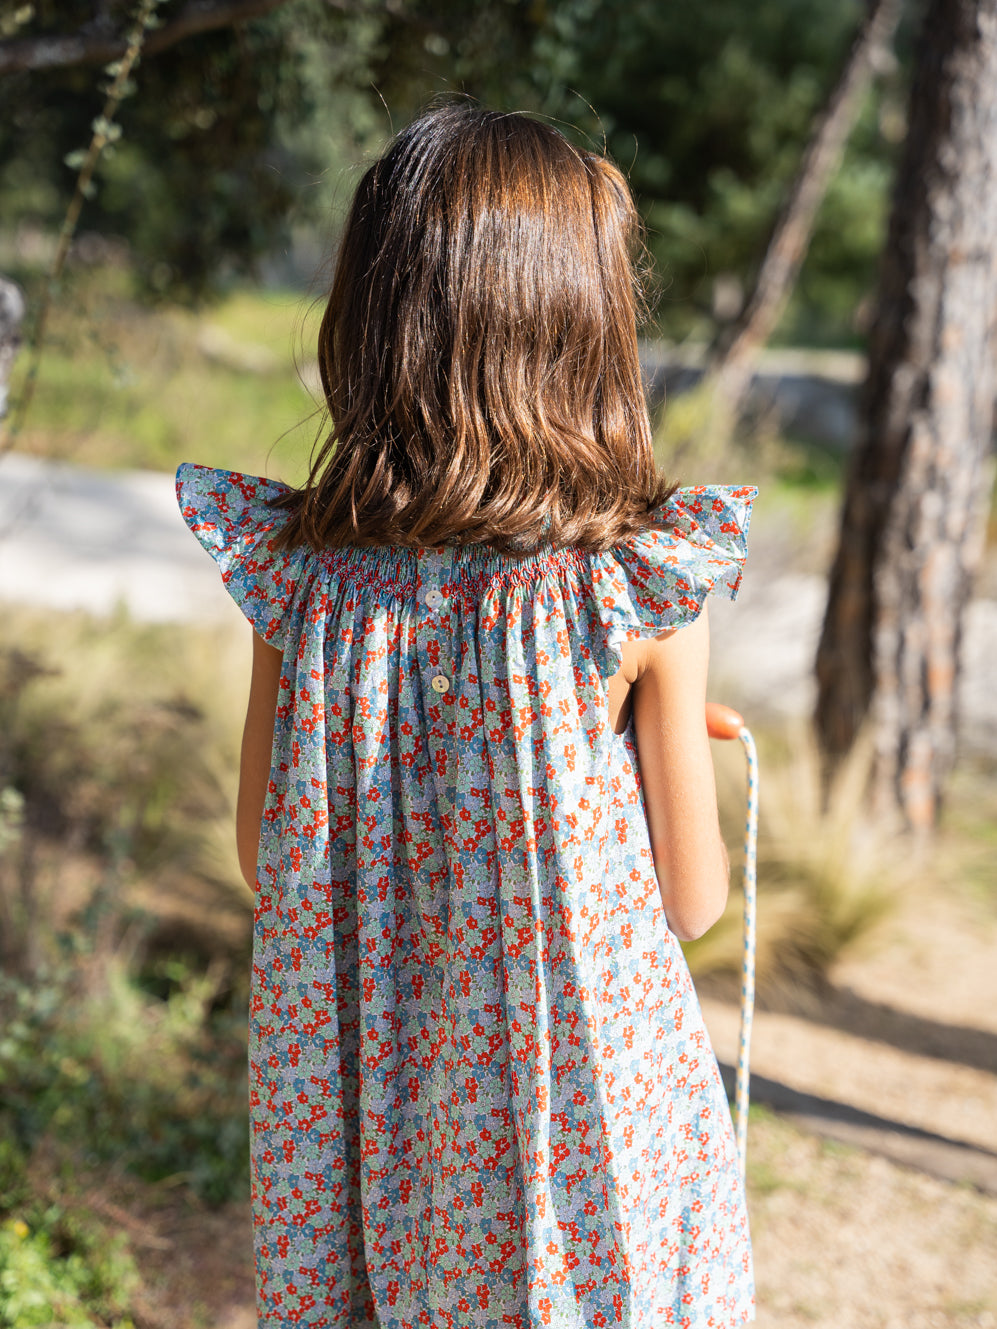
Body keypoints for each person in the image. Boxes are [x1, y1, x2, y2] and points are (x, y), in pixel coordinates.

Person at [177, 101, 755, 1329]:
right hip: (579, 1143)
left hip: (375, 1131)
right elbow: (690, 902)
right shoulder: (632, 587)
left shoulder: (308, 580)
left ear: (374, 316)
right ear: (582, 327)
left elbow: (267, 855)